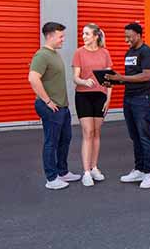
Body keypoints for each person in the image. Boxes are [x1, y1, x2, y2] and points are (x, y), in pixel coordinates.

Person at [28, 21, 81, 190]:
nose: (63, 39)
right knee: (51, 142)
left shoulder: (54, 54)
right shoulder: (42, 55)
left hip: (61, 107)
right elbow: (33, 78)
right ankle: (51, 178)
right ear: (50, 36)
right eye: (60, 36)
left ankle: (63, 171)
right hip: (52, 107)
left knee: (65, 139)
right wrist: (48, 101)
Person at [105, 23, 150, 189]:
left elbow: (147, 76)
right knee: (134, 136)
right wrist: (115, 79)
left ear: (139, 35)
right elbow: (130, 76)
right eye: (125, 36)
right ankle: (139, 169)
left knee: (144, 136)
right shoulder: (129, 52)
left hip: (143, 99)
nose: (127, 40)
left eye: (130, 36)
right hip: (129, 98)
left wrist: (123, 78)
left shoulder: (146, 52)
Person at [72, 23, 113, 186]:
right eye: (83, 34)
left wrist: (109, 99)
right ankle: (86, 172)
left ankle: (94, 167)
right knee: (88, 132)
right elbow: (75, 77)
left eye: (87, 34)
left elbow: (109, 79)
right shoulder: (79, 53)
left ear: (96, 36)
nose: (84, 36)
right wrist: (83, 81)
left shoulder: (105, 53)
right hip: (83, 96)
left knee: (96, 132)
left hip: (100, 96)